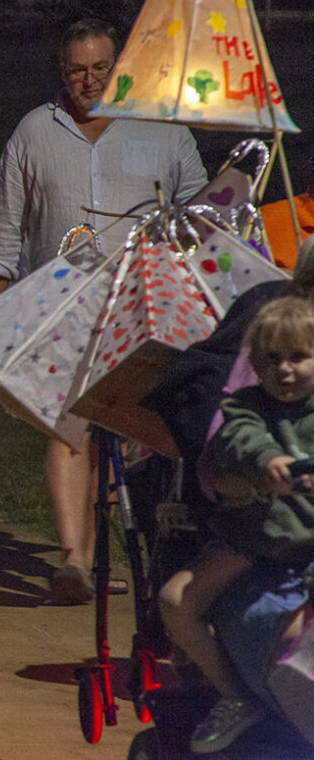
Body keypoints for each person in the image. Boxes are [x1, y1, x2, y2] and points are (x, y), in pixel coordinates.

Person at [0, 17, 207, 603]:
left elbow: (205, 220)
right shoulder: (33, 132)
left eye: (100, 68)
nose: (88, 80)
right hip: (60, 309)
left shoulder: (164, 130)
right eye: (77, 69)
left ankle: (117, 551)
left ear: (120, 66)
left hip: (143, 310)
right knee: (69, 427)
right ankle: (74, 561)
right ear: (61, 70)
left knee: (129, 436)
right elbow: (3, 239)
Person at [159, 296, 314, 753]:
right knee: (175, 601)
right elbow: (240, 440)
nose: (284, 370)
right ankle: (235, 696)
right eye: (271, 359)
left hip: (308, 545)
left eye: (298, 357)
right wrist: (271, 463)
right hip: (256, 538)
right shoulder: (245, 407)